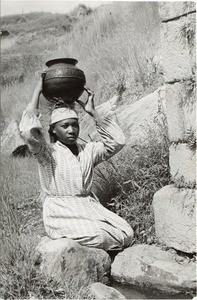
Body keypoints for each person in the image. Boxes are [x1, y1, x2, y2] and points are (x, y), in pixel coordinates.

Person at [19, 75, 134, 252]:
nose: (71, 130)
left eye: (75, 125)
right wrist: (37, 91)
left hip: (88, 207)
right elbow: (28, 132)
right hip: (61, 213)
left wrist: (93, 112)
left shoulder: (88, 150)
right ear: (54, 131)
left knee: (127, 232)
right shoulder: (47, 153)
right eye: (65, 126)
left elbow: (117, 142)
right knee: (101, 236)